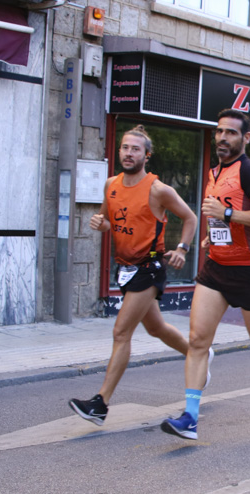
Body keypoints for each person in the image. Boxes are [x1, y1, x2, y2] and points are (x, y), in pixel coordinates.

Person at [161, 109, 250, 441]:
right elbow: (225, 220)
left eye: (230, 132)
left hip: (249, 271)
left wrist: (227, 213)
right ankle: (190, 418)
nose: (223, 138)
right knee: (198, 340)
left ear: (246, 138)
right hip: (216, 268)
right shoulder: (216, 171)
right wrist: (213, 232)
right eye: (219, 132)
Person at [69, 125, 199, 425]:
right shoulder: (111, 184)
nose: (129, 153)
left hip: (149, 267)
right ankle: (199, 356)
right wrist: (99, 224)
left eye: (135, 149)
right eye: (125, 147)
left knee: (121, 332)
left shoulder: (158, 189)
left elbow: (190, 217)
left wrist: (181, 248)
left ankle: (100, 405)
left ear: (146, 155)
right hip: (125, 269)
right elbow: (108, 221)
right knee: (156, 328)